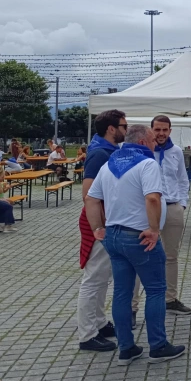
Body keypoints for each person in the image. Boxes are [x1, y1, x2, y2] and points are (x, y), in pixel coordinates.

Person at [85, 124, 186, 365]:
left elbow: (90, 197)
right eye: (152, 140)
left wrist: (97, 227)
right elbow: (152, 197)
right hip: (139, 235)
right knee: (155, 289)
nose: (155, 144)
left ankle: (126, 347)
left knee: (122, 291)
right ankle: (158, 345)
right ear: (142, 142)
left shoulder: (110, 163)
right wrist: (153, 229)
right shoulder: (147, 163)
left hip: (114, 235)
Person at [132, 116, 191, 319]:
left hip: (173, 207)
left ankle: (170, 299)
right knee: (140, 257)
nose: (161, 134)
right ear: (151, 130)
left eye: (164, 130)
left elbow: (183, 179)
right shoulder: (143, 152)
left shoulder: (176, 152)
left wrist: (182, 204)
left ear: (170, 130)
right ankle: (132, 306)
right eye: (157, 129)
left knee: (171, 256)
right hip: (148, 209)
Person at [77, 109, 126, 352]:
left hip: (102, 220)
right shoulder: (100, 154)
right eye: (123, 126)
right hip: (99, 222)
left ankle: (98, 322)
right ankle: (87, 334)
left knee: (102, 276)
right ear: (111, 129)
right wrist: (100, 225)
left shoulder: (104, 150)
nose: (125, 130)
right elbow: (88, 194)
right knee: (94, 277)